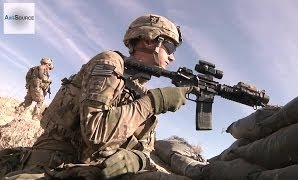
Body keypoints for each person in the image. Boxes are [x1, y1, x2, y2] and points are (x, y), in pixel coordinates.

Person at [4, 14, 192, 179]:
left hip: (91, 170)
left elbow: (146, 148)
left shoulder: (139, 91)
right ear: (149, 41)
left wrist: (136, 159)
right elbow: (96, 133)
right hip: (51, 167)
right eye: (170, 47)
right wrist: (154, 101)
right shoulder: (110, 62)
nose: (172, 57)